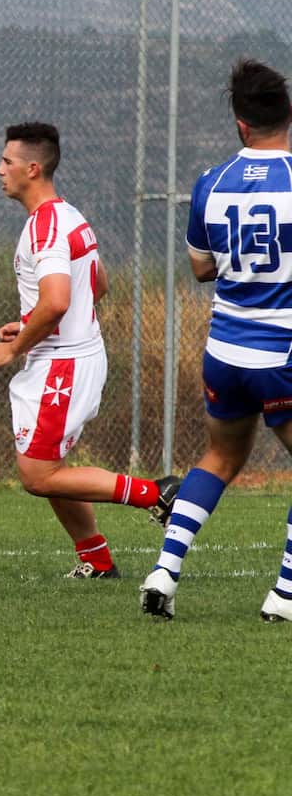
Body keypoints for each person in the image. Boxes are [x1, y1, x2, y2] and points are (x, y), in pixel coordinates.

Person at [0, 122, 178, 579]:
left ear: (32, 168)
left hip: (62, 368)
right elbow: (98, 283)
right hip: (70, 358)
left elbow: (57, 300)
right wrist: (31, 326)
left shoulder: (46, 226)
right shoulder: (68, 215)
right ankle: (96, 559)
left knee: (38, 475)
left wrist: (16, 348)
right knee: (50, 469)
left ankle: (158, 495)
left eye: (7, 162)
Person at [142, 60, 292, 621]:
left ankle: (164, 571)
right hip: (281, 352)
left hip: (225, 350)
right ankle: (284, 594)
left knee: (221, 457)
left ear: (240, 124)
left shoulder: (211, 182)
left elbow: (202, 269)